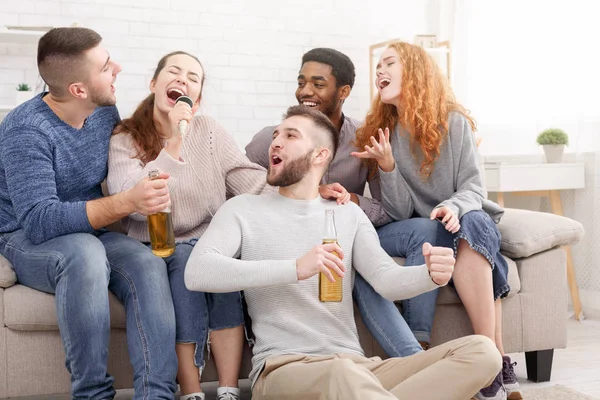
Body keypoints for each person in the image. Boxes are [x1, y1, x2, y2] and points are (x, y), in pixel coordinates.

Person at [185, 105, 502, 400]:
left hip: (358, 367)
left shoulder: (346, 214)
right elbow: (198, 271)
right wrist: (295, 267)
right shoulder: (243, 209)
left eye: (290, 135)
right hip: (283, 369)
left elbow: (384, 278)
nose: (275, 143)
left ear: (320, 155)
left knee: (483, 352)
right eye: (275, 136)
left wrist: (429, 275)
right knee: (343, 374)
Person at [0, 27, 178, 399]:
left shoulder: (102, 110)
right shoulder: (25, 131)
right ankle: (92, 394)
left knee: (147, 263)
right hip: (23, 236)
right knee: (85, 254)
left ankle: (156, 394)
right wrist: (128, 202)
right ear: (79, 89)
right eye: (106, 66)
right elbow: (40, 220)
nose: (118, 68)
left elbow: (133, 147)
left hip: (90, 230)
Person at [352, 41, 522, 400]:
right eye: (378, 66)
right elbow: (398, 214)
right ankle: (495, 359)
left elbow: (475, 187)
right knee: (440, 228)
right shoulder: (383, 134)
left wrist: (453, 207)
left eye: (389, 63)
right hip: (424, 229)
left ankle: (489, 354)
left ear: (414, 70)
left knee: (472, 222)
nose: (380, 71)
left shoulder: (453, 121)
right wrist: (388, 167)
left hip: (466, 218)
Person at [245, 48, 431, 358]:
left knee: (412, 234)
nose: (305, 91)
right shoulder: (271, 139)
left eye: (318, 84)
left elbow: (392, 211)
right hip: (295, 239)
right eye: (301, 81)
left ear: (343, 91)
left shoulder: (364, 137)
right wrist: (309, 191)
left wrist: (356, 198)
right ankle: (415, 359)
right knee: (350, 266)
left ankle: (418, 347)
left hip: (345, 234)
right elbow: (239, 190)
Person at [107, 51, 268, 400]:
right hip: (156, 246)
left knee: (219, 260)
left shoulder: (209, 130)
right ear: (154, 84)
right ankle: (192, 391)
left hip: (208, 241)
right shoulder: (126, 136)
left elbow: (248, 180)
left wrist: (303, 189)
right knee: (185, 259)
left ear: (197, 97)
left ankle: (228, 389)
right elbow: (130, 200)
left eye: (193, 78)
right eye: (175, 72)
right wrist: (174, 144)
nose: (183, 80)